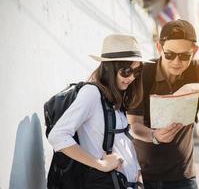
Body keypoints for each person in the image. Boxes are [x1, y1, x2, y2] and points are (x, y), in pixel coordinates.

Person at [127, 19, 199, 189]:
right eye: (170, 54)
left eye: (185, 56)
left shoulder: (197, 70)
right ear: (159, 48)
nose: (177, 62)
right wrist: (155, 136)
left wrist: (191, 88)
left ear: (195, 51)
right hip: (143, 177)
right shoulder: (144, 74)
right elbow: (134, 125)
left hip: (183, 178)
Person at [48, 34, 152, 188]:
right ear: (111, 68)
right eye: (126, 71)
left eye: (136, 72)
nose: (131, 78)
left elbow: (122, 143)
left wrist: (138, 179)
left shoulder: (115, 98)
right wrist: (100, 164)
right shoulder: (92, 93)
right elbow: (58, 135)